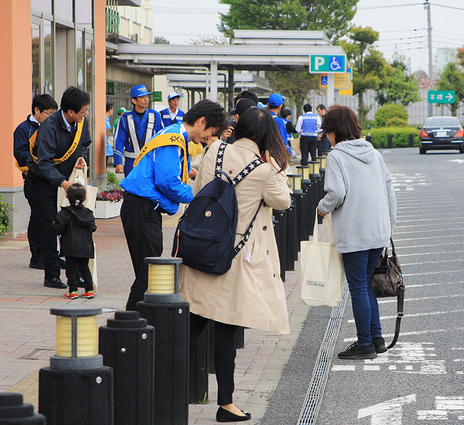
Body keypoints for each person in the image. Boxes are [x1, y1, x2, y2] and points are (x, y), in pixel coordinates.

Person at [181, 106, 291, 423]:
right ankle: (226, 403)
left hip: (202, 245)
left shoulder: (216, 149)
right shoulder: (264, 169)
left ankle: (160, 385)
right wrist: (275, 166)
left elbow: (199, 191)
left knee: (192, 324)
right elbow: (283, 201)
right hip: (235, 257)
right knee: (226, 330)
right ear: (266, 136)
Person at [120, 99, 227, 312]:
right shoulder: (174, 138)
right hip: (142, 207)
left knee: (146, 272)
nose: (208, 138)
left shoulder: (171, 132)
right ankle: (128, 326)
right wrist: (199, 194)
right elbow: (167, 180)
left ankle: (134, 325)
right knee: (148, 273)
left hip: (139, 207)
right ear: (201, 121)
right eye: (211, 132)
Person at [316, 105, 396, 360]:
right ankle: (377, 338)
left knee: (358, 284)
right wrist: (388, 225)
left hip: (356, 233)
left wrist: (321, 207)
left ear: (332, 131)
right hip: (378, 231)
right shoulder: (373, 152)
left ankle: (365, 344)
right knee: (366, 283)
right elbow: (389, 190)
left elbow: (337, 193)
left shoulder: (337, 156)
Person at [25, 86, 92, 290]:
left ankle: (78, 274)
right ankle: (51, 275)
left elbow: (84, 145)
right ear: (70, 112)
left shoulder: (82, 123)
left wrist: (81, 158)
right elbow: (44, 163)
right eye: (83, 111)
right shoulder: (49, 127)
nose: (85, 114)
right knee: (49, 226)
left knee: (72, 223)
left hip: (65, 180)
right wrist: (63, 183)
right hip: (41, 182)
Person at [13, 93, 58, 269]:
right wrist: (39, 156)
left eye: (54, 114)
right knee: (39, 218)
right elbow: (20, 154)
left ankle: (50, 256)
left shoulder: (52, 127)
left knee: (48, 219)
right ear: (36, 110)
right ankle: (37, 256)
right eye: (48, 113)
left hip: (50, 180)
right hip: (33, 180)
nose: (51, 117)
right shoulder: (24, 129)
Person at [53, 183, 97, 300]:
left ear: (67, 196)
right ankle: (89, 290)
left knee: (71, 269)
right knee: (85, 268)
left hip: (70, 246)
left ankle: (73, 290)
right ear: (85, 198)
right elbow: (93, 228)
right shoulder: (88, 213)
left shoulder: (64, 213)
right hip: (85, 246)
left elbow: (58, 228)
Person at [114, 85, 163, 176]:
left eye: (147, 97)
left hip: (150, 162)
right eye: (142, 97)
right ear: (134, 101)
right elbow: (119, 141)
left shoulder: (156, 116)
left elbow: (162, 139)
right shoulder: (124, 119)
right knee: (131, 189)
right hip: (131, 163)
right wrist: (118, 162)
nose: (146, 100)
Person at [267, 93, 294, 158]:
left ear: (267, 105)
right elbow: (283, 141)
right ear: (280, 106)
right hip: (276, 155)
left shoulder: (261, 118)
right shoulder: (279, 121)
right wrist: (291, 153)